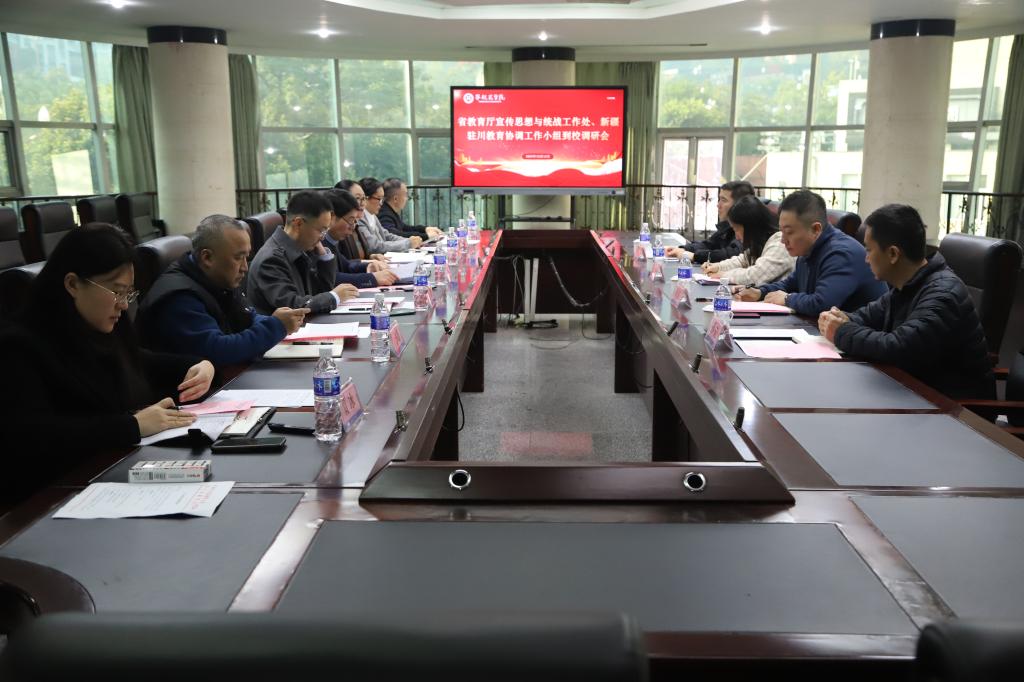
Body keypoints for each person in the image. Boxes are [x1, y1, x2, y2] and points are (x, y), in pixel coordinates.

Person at [0, 224, 215, 508]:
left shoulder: (97, 327)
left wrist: (200, 365)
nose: (124, 305)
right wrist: (132, 426)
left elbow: (140, 361)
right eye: (116, 291)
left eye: (129, 293)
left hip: (111, 474)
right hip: (51, 499)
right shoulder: (18, 345)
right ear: (72, 284)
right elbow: (34, 436)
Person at [819, 204, 994, 400]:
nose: (866, 259)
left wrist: (841, 331)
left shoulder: (942, 294)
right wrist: (839, 319)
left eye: (869, 250)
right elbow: (867, 316)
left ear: (893, 254)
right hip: (913, 394)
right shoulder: (908, 285)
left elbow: (898, 348)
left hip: (955, 408)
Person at [137, 215, 309, 367]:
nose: (245, 267)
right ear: (207, 257)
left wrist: (275, 321)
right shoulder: (179, 297)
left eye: (247, 257)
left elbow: (247, 317)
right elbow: (219, 351)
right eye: (238, 258)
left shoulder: (216, 278)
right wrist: (275, 326)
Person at [736, 190, 887, 316]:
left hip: (861, 337)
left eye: (789, 232)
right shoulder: (808, 248)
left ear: (815, 229)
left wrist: (788, 299)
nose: (783, 240)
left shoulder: (841, 253)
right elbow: (790, 284)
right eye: (781, 231)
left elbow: (823, 303)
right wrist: (760, 292)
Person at [247, 190, 358, 315]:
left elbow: (320, 291)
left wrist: (324, 256)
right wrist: (334, 297)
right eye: (321, 230)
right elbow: (293, 306)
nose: (322, 237)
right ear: (298, 223)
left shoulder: (301, 248)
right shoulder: (271, 260)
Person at [703, 195, 794, 287]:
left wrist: (723, 275)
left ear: (750, 228)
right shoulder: (762, 242)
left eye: (736, 229)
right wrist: (718, 267)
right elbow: (743, 260)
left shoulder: (779, 244)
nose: (737, 237)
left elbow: (755, 276)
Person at [322, 189, 398, 287]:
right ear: (332, 217)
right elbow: (333, 278)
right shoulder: (319, 243)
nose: (353, 227)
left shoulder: (331, 241)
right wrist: (372, 278)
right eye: (351, 220)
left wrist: (368, 266)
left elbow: (346, 265)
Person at [666, 180, 753, 264]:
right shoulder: (727, 227)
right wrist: (683, 249)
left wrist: (694, 256)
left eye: (723, 200)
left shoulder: (747, 227)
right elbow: (709, 244)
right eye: (719, 199)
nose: (718, 205)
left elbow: (732, 254)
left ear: (738, 205)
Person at [357, 177, 422, 253]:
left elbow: (386, 235)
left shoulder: (372, 216)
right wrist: (408, 243)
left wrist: (409, 241)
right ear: (366, 198)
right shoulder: (360, 219)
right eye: (379, 199)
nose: (381, 203)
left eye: (382, 199)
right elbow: (375, 246)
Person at [333, 179, 388, 262]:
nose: (363, 203)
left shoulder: (356, 224)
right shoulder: (338, 229)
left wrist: (371, 257)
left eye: (364, 198)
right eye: (358, 198)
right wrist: (366, 262)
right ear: (342, 200)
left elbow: (359, 256)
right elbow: (343, 265)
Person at [377, 177, 444, 240]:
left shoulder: (389, 211)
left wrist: (425, 229)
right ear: (395, 199)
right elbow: (394, 235)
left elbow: (404, 228)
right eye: (405, 195)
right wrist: (426, 236)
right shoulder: (384, 214)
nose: (407, 198)